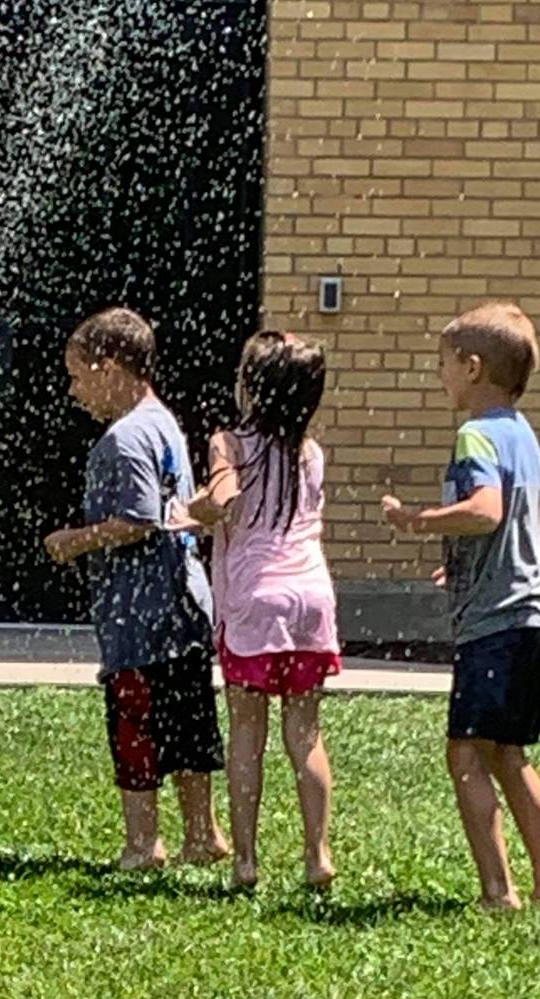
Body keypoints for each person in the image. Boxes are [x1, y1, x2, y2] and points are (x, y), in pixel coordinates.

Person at [382, 301, 540, 911]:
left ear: (471, 368)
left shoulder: (474, 434)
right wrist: (467, 560)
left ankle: (499, 889)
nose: (439, 376)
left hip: (496, 621)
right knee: (508, 753)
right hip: (535, 613)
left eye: (443, 364)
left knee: (466, 753)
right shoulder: (523, 433)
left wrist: (415, 520)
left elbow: (487, 512)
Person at [44, 307, 227, 871]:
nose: (73, 391)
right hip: (185, 603)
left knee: (137, 724)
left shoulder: (121, 440)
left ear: (111, 367)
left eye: (78, 375)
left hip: (139, 616)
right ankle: (203, 833)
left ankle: (143, 844)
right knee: (190, 723)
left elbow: (139, 519)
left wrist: (74, 540)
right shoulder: (163, 422)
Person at [177, 330, 339, 892]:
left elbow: (222, 501)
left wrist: (188, 510)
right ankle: (317, 856)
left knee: (248, 731)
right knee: (306, 732)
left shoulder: (230, 442)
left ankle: (245, 862)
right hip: (312, 601)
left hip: (255, 603)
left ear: (253, 387)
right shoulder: (311, 453)